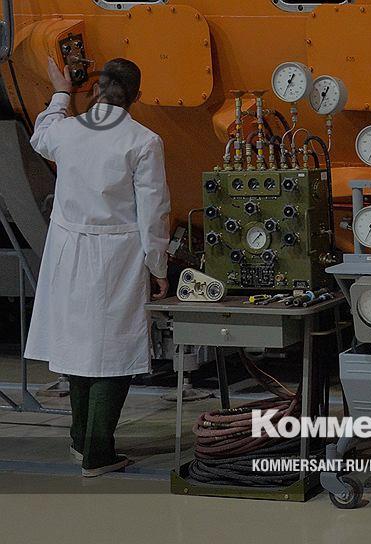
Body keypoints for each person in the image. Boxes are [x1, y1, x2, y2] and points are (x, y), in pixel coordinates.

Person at [24, 57, 171, 477]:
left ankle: (78, 439)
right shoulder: (144, 141)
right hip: (117, 255)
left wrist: (60, 92)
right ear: (137, 96)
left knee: (78, 347)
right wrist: (158, 265)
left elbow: (41, 135)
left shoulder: (68, 130)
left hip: (67, 250)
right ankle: (98, 452)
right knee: (115, 352)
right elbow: (153, 211)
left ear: (95, 89)